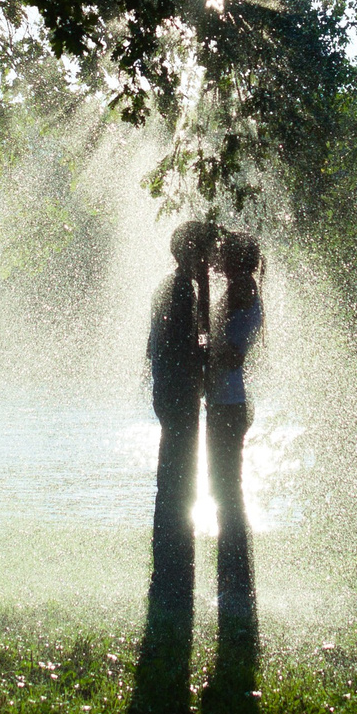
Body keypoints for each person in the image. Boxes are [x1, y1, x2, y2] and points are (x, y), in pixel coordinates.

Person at [145, 219, 214, 621]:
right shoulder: (181, 292)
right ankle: (174, 575)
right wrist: (205, 365)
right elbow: (186, 345)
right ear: (191, 255)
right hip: (178, 395)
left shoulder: (174, 287)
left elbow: (155, 347)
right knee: (177, 481)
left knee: (173, 480)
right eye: (204, 253)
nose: (210, 262)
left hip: (170, 394)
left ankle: (171, 572)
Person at [207, 229, 264, 619]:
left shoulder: (243, 295)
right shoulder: (241, 295)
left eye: (224, 255)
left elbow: (229, 354)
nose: (218, 260)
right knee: (225, 490)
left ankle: (236, 586)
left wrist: (198, 355)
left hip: (229, 403)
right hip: (228, 402)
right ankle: (233, 582)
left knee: (226, 491)